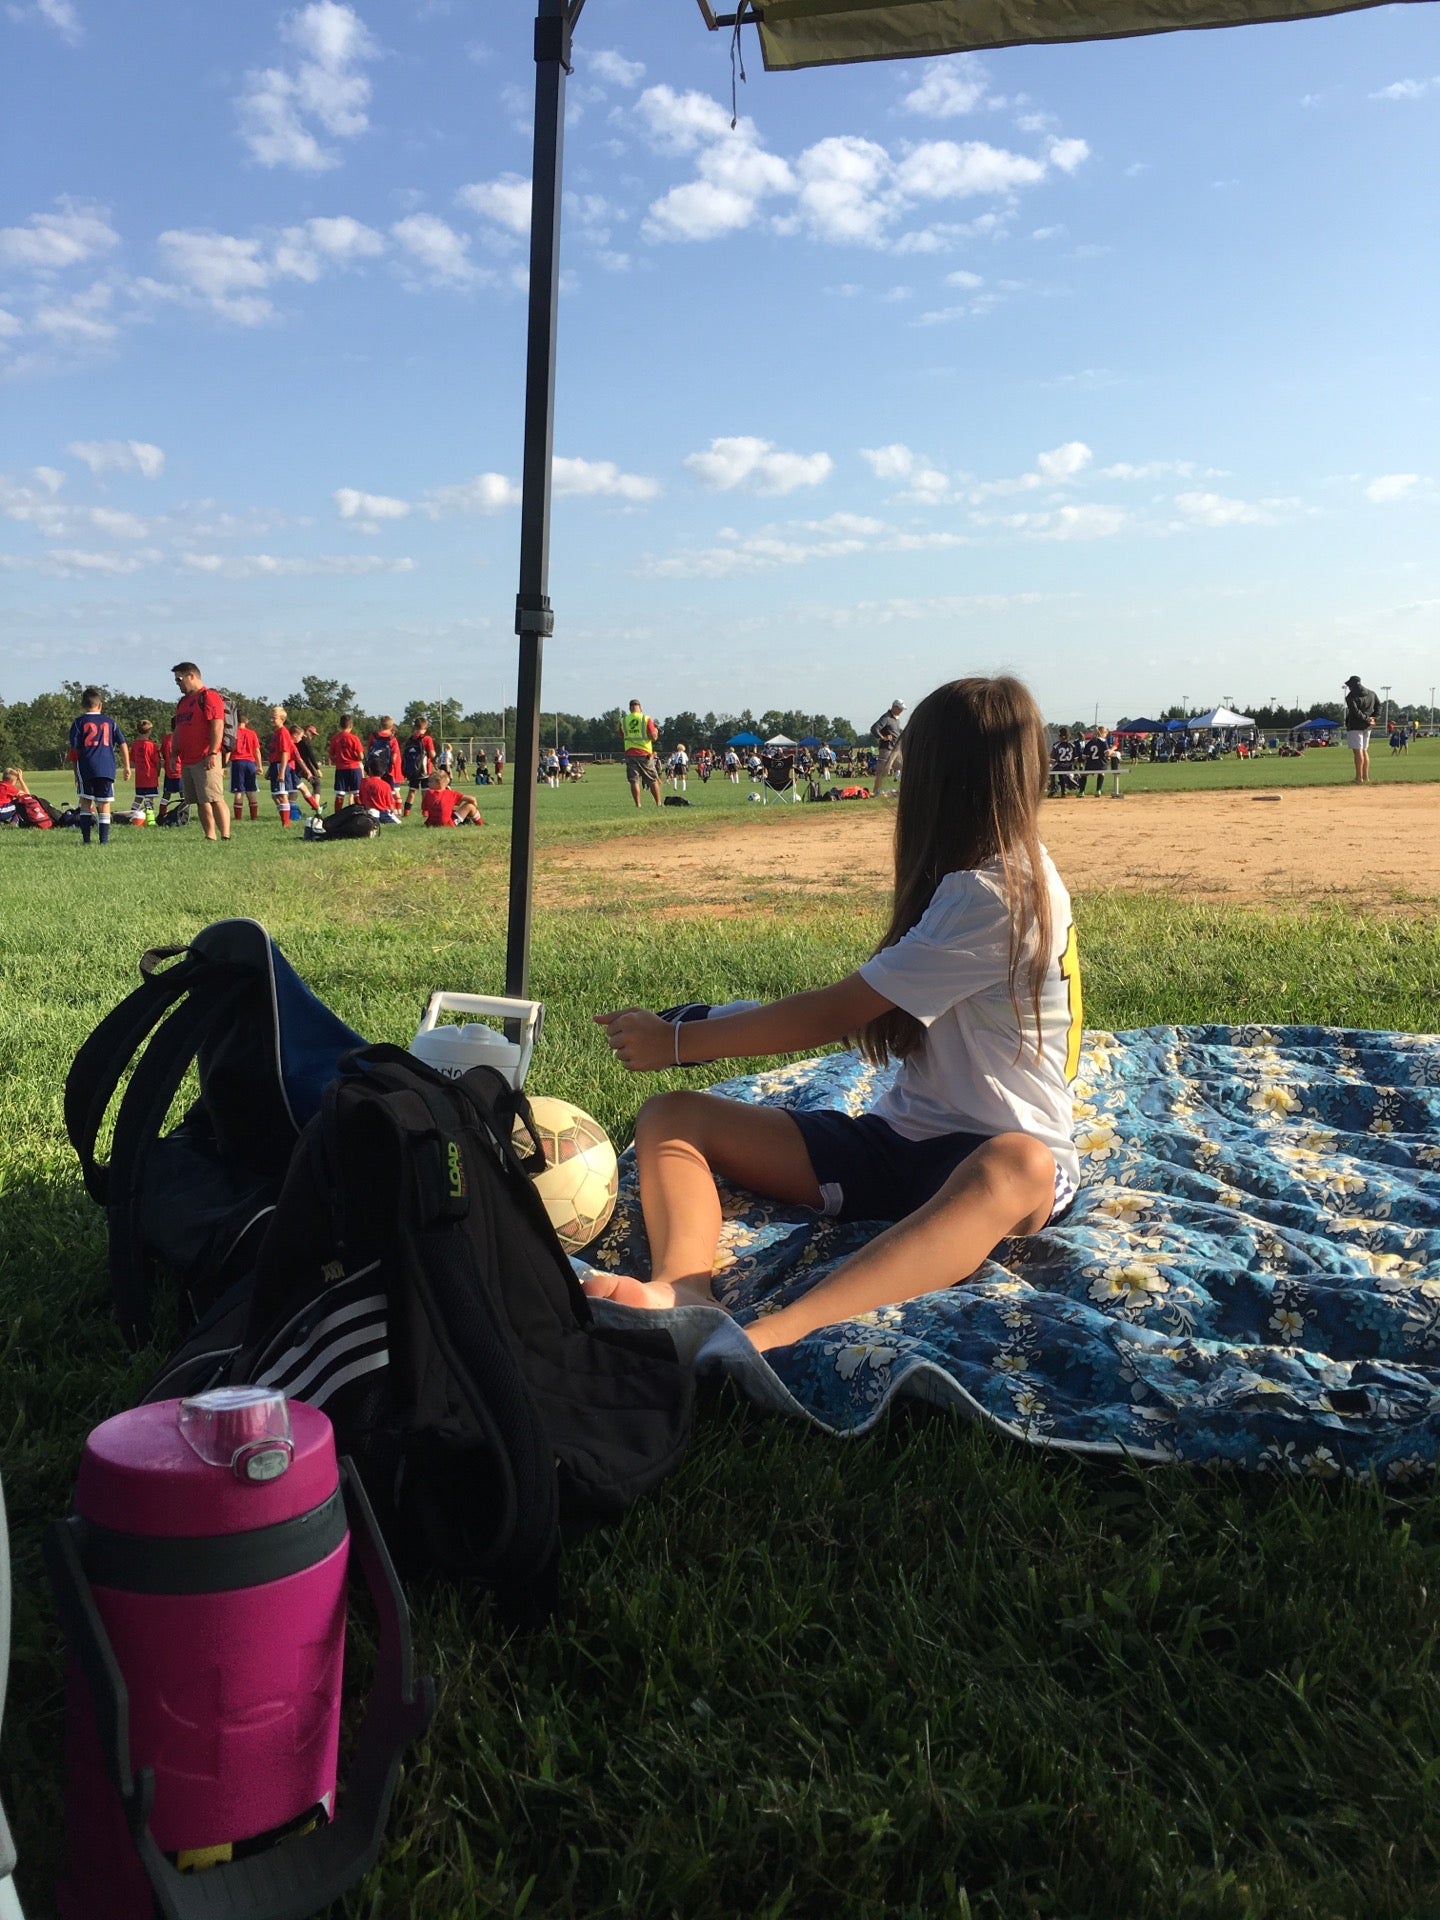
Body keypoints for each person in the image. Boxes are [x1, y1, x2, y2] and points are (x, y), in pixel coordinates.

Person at [586, 676, 1081, 1354]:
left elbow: (834, 1013)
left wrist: (679, 1039)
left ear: (936, 781)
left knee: (1020, 1163)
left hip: (995, 1165)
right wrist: (695, 1030)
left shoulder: (1002, 893)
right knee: (672, 1117)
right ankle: (685, 1290)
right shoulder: (978, 880)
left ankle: (775, 1335)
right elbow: (863, 1005)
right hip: (900, 1145)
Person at [170, 661, 230, 842]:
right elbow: (178, 729)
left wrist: (213, 752)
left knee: (214, 797)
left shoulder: (209, 696)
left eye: (179, 679)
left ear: (192, 676)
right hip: (187, 758)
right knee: (201, 800)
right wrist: (174, 753)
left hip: (205, 756)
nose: (178, 683)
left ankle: (225, 835)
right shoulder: (183, 702)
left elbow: (217, 725)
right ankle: (209, 835)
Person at [66, 688, 131, 846]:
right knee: (105, 803)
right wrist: (127, 766)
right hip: (106, 767)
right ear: (100, 704)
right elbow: (122, 743)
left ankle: (86, 840)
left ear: (82, 704)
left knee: (86, 801)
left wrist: (76, 772)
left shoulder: (78, 722)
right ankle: (104, 841)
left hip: (86, 767)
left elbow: (74, 750)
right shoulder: (110, 722)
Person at [264, 705, 304, 827]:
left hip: (280, 766)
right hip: (275, 765)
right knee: (278, 795)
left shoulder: (283, 732)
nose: (271, 720)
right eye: (271, 717)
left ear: (282, 718)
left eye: (274, 717)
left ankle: (286, 823)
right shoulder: (277, 732)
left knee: (283, 794)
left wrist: (281, 772)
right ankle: (285, 821)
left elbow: (285, 752)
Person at [620, 698, 662, 810]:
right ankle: (658, 803)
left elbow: (620, 734)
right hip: (645, 753)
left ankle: (638, 804)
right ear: (640, 707)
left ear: (630, 708)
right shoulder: (646, 718)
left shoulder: (623, 720)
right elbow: (653, 737)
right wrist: (656, 733)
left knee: (634, 780)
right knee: (652, 779)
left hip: (630, 753)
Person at [1343, 675, 1380, 784]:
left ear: (1352, 685)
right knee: (1364, 750)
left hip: (1355, 725)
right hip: (1367, 726)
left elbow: (1355, 711)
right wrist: (1374, 717)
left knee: (1357, 751)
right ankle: (1366, 777)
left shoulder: (1351, 696)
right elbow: (1379, 706)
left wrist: (1366, 718)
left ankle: (1359, 777)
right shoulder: (1372, 693)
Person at [328, 713, 365, 810]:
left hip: (340, 769)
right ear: (351, 725)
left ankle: (337, 817)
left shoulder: (335, 739)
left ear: (340, 725)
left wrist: (337, 761)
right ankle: (360, 815)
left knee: (339, 795)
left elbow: (331, 755)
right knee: (357, 794)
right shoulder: (354, 738)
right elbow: (361, 756)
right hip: (354, 768)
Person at [230, 712, 262, 822]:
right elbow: (257, 750)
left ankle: (238, 817)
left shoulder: (233, 733)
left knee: (239, 791)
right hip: (250, 763)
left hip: (238, 762)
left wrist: (223, 765)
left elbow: (229, 750)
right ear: (246, 721)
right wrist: (259, 765)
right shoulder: (252, 733)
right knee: (251, 790)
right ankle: (254, 817)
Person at [401, 718, 435, 816]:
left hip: (412, 770)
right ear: (425, 728)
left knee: (412, 791)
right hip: (424, 769)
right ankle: (425, 812)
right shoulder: (427, 739)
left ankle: (406, 812)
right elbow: (432, 754)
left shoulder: (410, 739)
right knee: (425, 793)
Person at [130, 718, 163, 818]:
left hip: (140, 777)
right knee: (149, 799)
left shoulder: (135, 745)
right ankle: (150, 819)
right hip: (150, 776)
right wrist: (157, 773)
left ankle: (131, 815)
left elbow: (132, 761)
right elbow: (157, 762)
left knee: (138, 798)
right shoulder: (152, 745)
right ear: (149, 731)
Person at [871, 699, 905, 786]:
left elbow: (896, 731)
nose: (901, 711)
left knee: (902, 768)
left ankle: (902, 790)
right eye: (900, 709)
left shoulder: (896, 719)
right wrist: (882, 737)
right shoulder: (886, 718)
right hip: (887, 748)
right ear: (894, 707)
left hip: (896, 749)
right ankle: (876, 791)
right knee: (882, 771)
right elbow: (874, 728)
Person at [291, 726, 324, 815]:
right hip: (304, 765)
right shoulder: (306, 741)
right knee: (316, 783)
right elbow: (311, 755)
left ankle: (292, 806)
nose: (312, 736)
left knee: (294, 786)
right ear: (307, 731)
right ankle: (316, 805)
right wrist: (317, 769)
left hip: (294, 765)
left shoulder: (295, 740)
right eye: (312, 734)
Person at [365, 716, 403, 788]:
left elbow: (369, 750)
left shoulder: (373, 736)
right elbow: (394, 758)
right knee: (392, 793)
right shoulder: (392, 739)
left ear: (380, 725)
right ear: (392, 726)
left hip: (374, 770)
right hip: (389, 772)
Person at [157, 723, 184, 823]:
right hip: (180, 770)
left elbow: (163, 753)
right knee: (184, 795)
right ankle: (184, 814)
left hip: (169, 770)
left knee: (166, 795)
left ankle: (162, 814)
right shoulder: (183, 737)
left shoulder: (166, 739)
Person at [1048, 726, 1079, 798]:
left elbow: (1052, 757)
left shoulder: (1056, 745)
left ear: (1062, 736)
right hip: (1069, 766)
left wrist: (1050, 760)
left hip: (1060, 765)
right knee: (1063, 775)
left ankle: (1053, 789)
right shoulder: (1072, 745)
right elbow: (1075, 759)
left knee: (1052, 772)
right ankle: (1064, 791)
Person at [1079, 728, 1108, 796]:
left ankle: (1081, 792)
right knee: (1101, 773)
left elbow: (1084, 756)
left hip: (1090, 763)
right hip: (1100, 763)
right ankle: (1098, 790)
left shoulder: (1089, 742)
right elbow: (1106, 752)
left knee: (1084, 775)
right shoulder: (1103, 741)